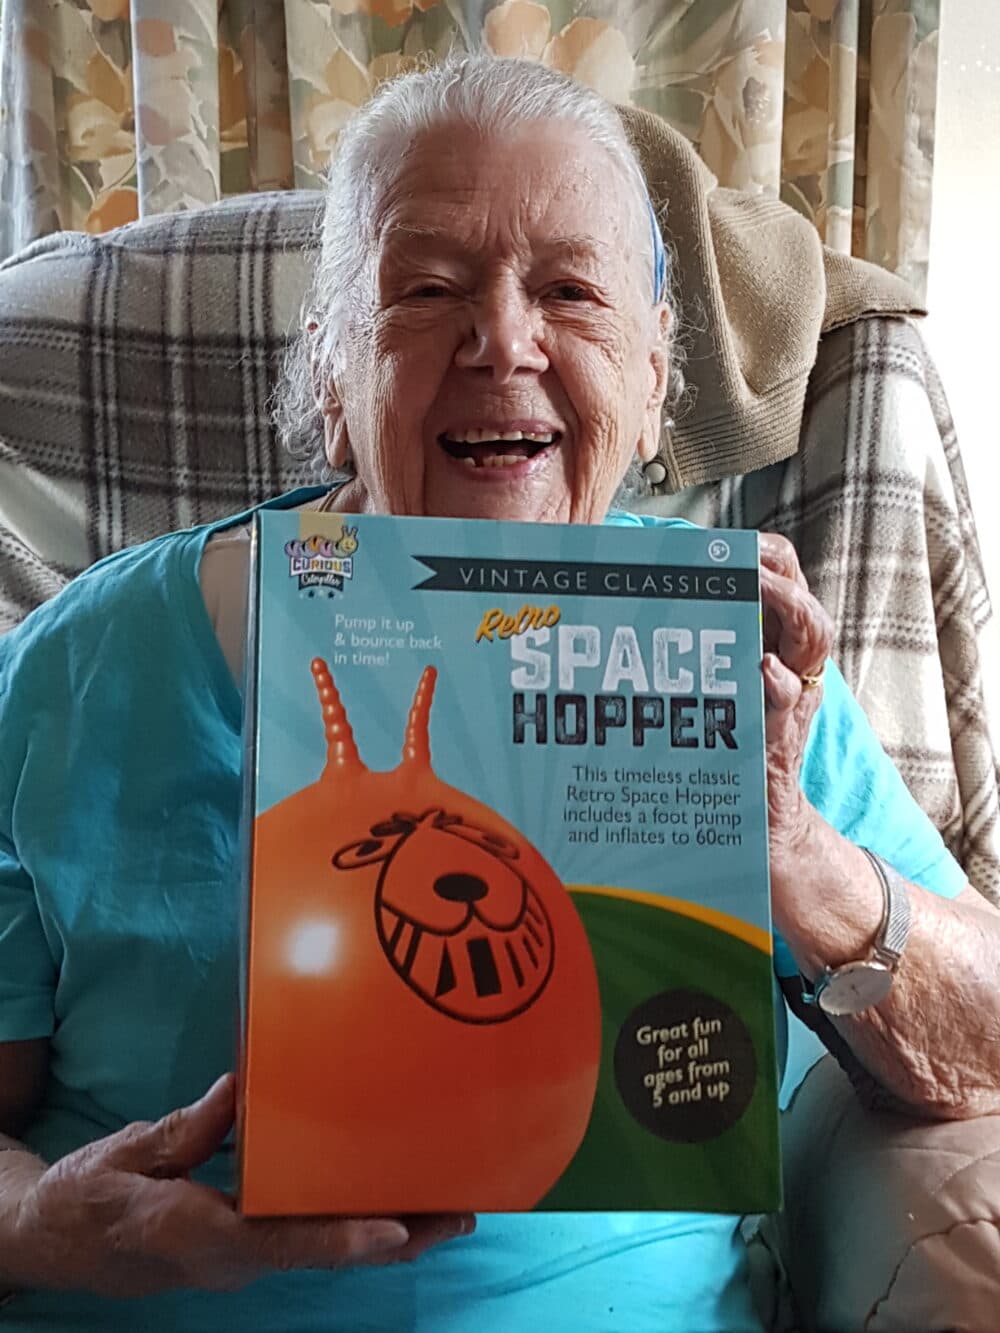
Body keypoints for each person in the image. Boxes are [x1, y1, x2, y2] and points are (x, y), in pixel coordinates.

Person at [0, 53, 998, 1333]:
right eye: (426, 288)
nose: (503, 341)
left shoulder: (720, 654)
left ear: (649, 388)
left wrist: (797, 857)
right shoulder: (88, 664)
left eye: (572, 292)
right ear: (330, 381)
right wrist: (52, 1225)